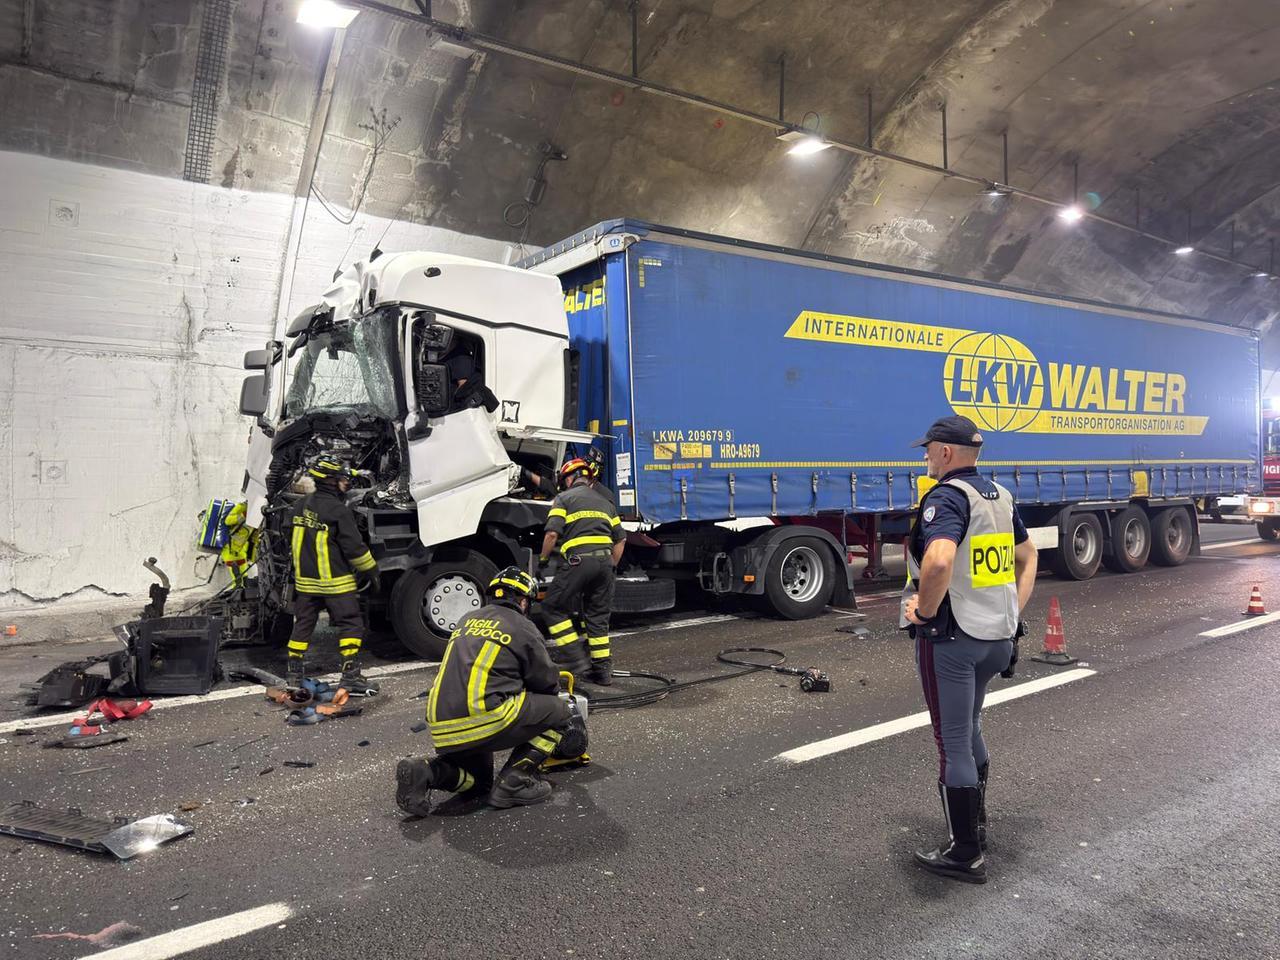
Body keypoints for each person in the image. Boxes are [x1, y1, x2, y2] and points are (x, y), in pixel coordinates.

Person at [901, 415, 1037, 884]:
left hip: (954, 642)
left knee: (951, 742)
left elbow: (938, 560)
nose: (924, 457)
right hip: (996, 640)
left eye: (927, 450)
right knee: (971, 726)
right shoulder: (999, 496)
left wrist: (923, 610)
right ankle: (975, 826)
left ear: (944, 452)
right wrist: (1013, 613)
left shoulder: (946, 497)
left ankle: (965, 853)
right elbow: (1028, 556)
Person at [396, 568, 581, 815]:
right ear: (524, 601)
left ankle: (428, 772)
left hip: (442, 725)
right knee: (561, 710)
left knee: (478, 782)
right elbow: (546, 683)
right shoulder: (522, 625)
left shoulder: (466, 620)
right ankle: (514, 782)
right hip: (483, 717)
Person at [286, 459, 380, 694]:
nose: (346, 482)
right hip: (336, 583)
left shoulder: (299, 507)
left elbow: (288, 535)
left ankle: (293, 675)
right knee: (351, 624)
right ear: (330, 481)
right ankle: (350, 677)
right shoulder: (339, 511)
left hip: (305, 584)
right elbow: (354, 548)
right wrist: (372, 571)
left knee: (303, 626)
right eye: (342, 478)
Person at [538, 458, 626, 685]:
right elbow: (621, 539)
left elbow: (551, 535)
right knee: (596, 617)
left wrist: (543, 560)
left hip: (578, 562)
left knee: (552, 607)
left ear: (569, 478)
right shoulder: (606, 502)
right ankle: (602, 672)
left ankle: (575, 659)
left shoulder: (563, 498)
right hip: (605, 564)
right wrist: (611, 565)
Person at [219, 501, 257, 591]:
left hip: (241, 546)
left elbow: (254, 534)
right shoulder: (241, 507)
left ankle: (244, 586)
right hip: (230, 545)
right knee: (234, 568)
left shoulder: (257, 513)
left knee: (243, 566)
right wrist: (243, 516)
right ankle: (238, 587)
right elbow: (228, 521)